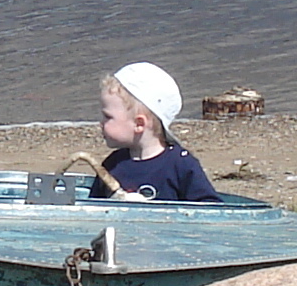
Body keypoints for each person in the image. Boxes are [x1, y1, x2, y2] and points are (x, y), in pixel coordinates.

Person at [79, 64, 219, 202]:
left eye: (108, 117)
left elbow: (211, 209)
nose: (101, 123)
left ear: (139, 124)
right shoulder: (113, 165)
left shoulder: (180, 164)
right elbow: (94, 209)